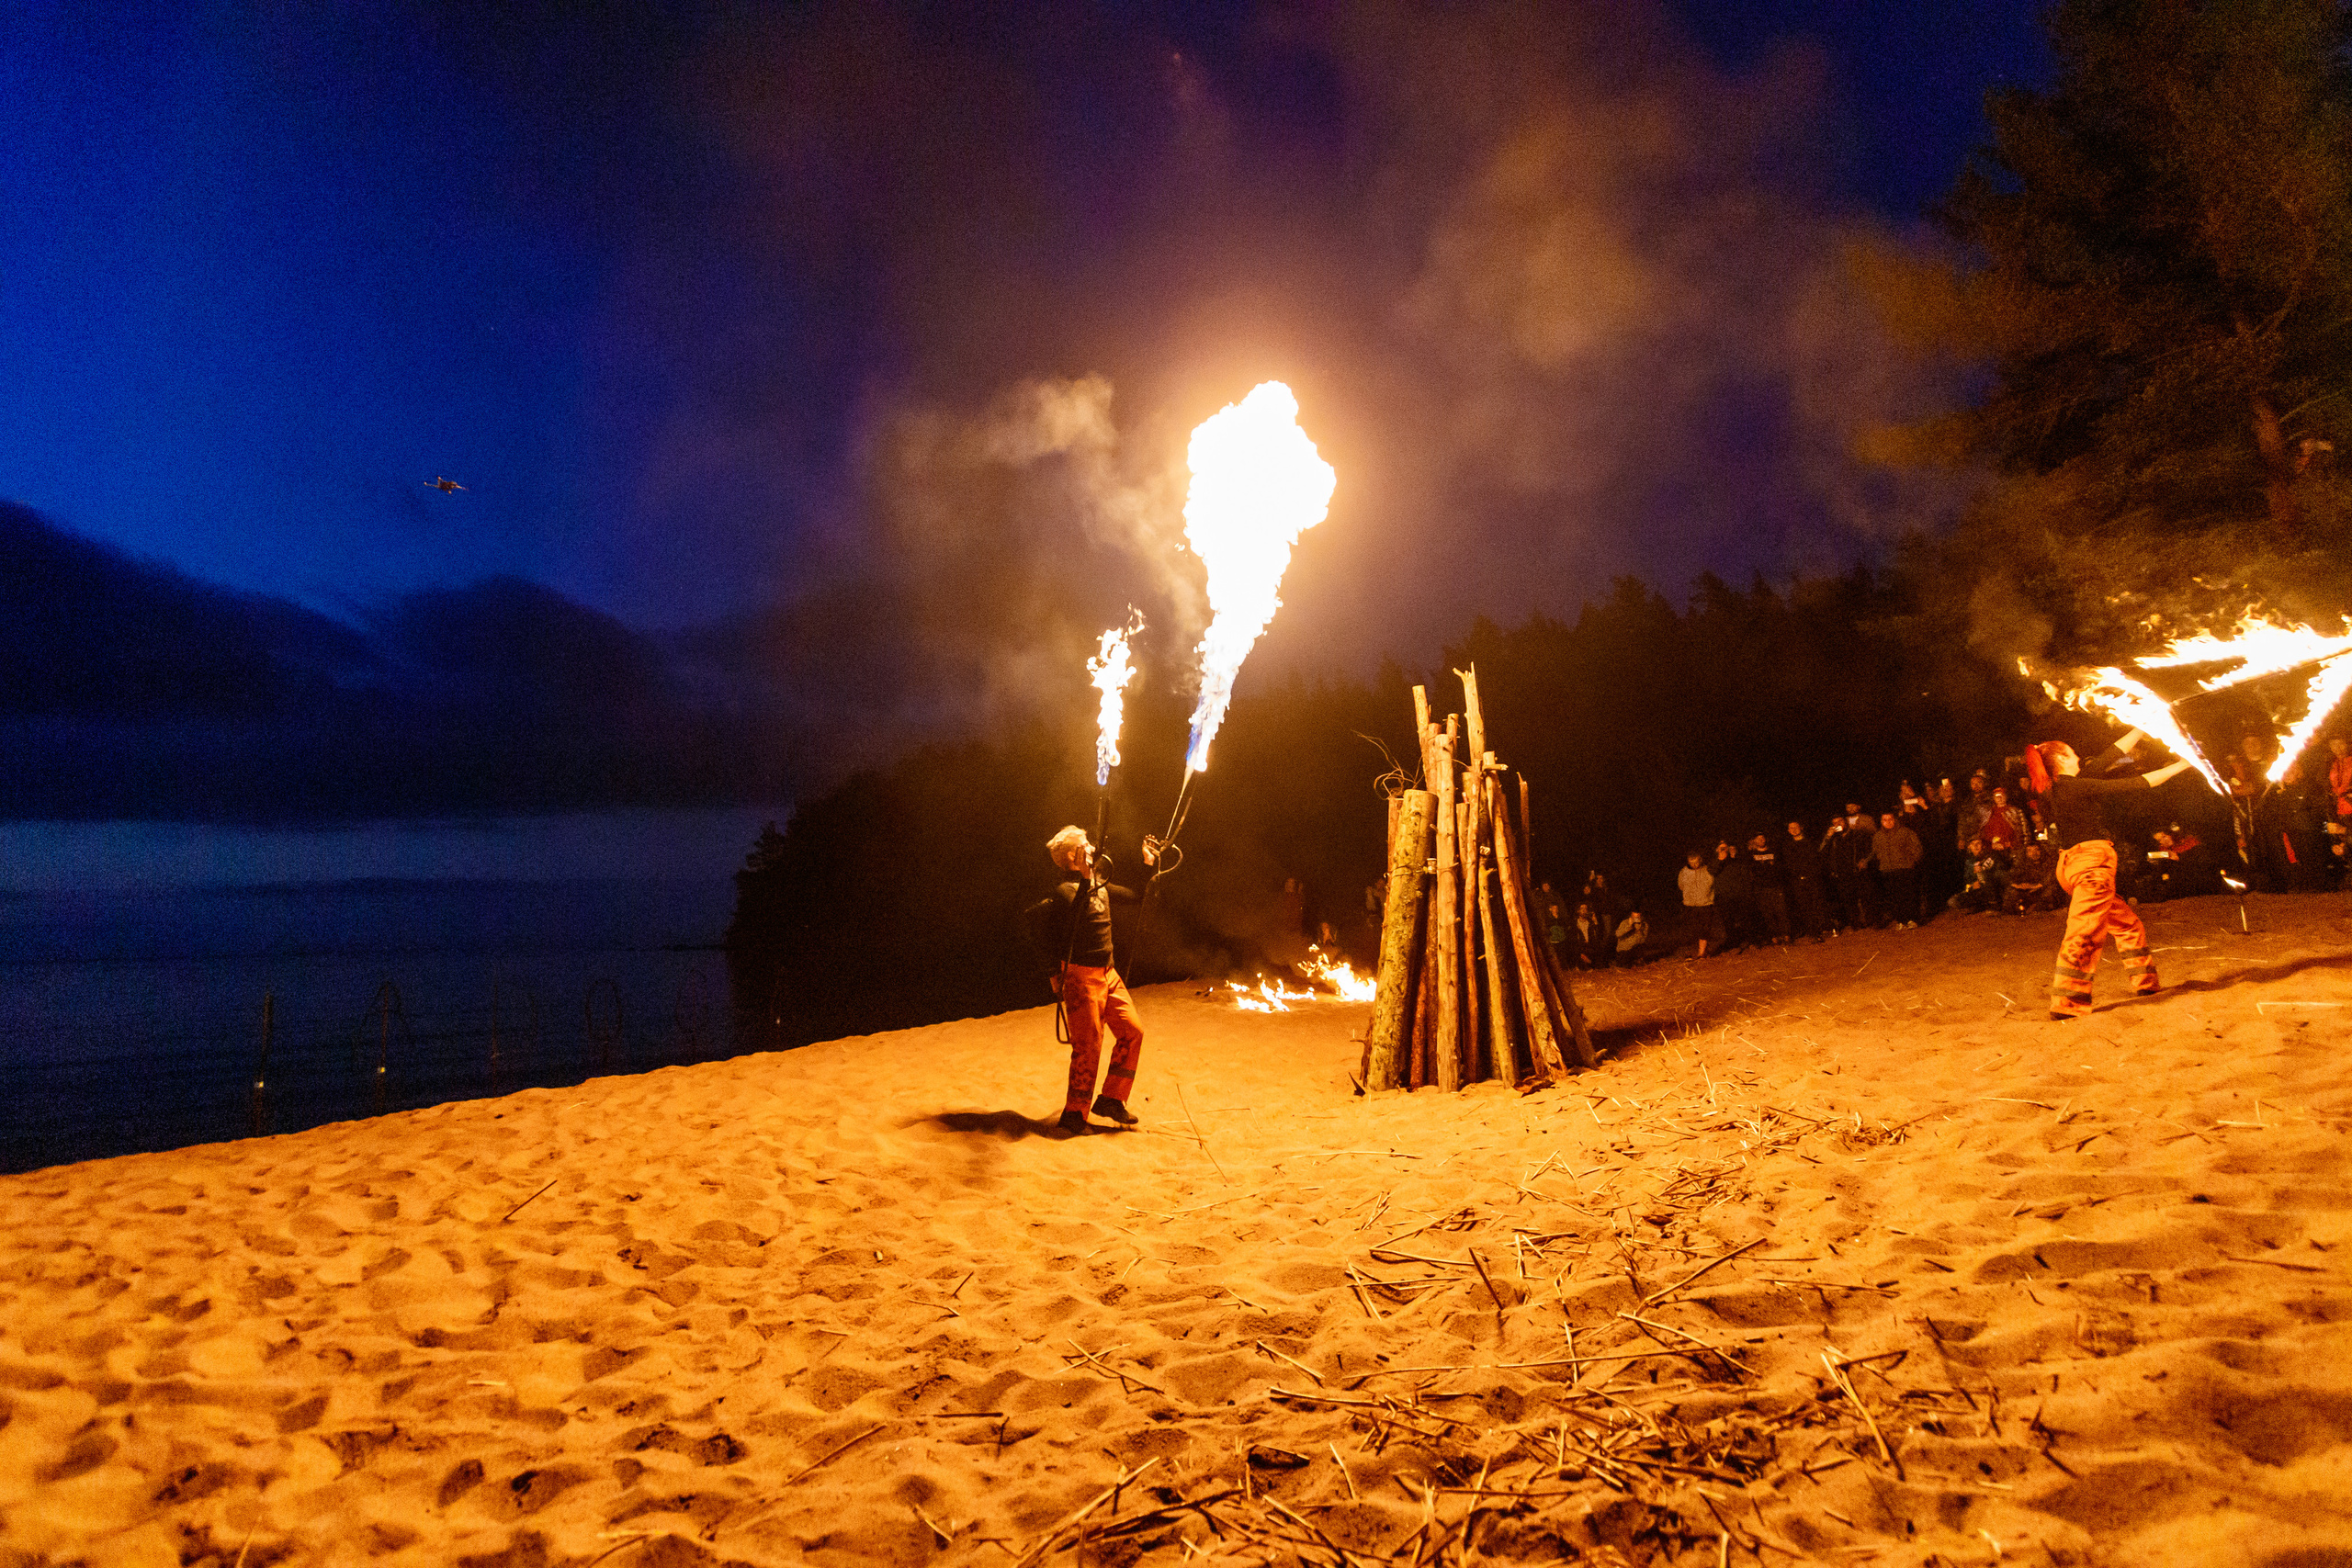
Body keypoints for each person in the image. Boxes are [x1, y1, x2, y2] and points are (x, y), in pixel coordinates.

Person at [2028, 731, 2195, 1019]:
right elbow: (2137, 784)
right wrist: (2183, 765)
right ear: (2062, 759)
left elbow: (2110, 755)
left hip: (2071, 866)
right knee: (2084, 932)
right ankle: (2067, 1003)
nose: (2079, 756)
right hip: (2091, 866)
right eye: (2073, 752)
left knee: (2127, 924)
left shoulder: (2058, 786)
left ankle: (2146, 983)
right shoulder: (2073, 788)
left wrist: (2142, 727)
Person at [1028, 826, 1160, 1134]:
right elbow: (1070, 920)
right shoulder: (1065, 892)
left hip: (1108, 974)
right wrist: (1052, 974)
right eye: (1085, 845)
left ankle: (1111, 1100)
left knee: (1132, 1032)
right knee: (1088, 1048)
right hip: (1080, 977)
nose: (1092, 847)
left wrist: (1148, 863)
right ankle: (1074, 1115)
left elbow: (1137, 896)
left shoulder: (1100, 884)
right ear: (1073, 856)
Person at [1871, 809, 1925, 929]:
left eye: (1890, 819)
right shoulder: (1878, 836)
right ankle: (1900, 920)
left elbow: (1917, 848)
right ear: (1881, 822)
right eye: (1885, 820)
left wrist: (1912, 861)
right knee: (1894, 897)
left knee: (1908, 895)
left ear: (1895, 820)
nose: (1888, 822)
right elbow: (1875, 851)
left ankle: (1912, 919)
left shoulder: (1905, 832)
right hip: (1887, 869)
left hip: (1904, 868)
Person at [1781, 820, 1829, 939]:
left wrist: (1814, 873)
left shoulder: (1810, 842)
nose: (1793, 830)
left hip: (1813, 878)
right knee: (1805, 906)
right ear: (1788, 831)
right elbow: (1788, 864)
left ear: (1801, 828)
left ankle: (1823, 928)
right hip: (1798, 881)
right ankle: (1812, 932)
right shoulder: (1787, 846)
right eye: (1791, 828)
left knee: (1817, 904)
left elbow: (1817, 858)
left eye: (1795, 827)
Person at [1712, 839, 1760, 952]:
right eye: (1722, 848)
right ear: (1717, 850)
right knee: (1728, 922)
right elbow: (1713, 871)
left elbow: (1746, 876)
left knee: (1746, 920)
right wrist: (1720, 859)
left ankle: (1752, 941)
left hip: (1740, 895)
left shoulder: (1738, 861)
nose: (1725, 850)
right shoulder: (1715, 861)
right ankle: (1733, 943)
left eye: (1727, 848)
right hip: (1724, 897)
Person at [1677, 850, 1722, 958]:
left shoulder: (1707, 870)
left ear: (1700, 860)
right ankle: (1692, 950)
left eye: (1696, 862)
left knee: (1704, 929)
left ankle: (1702, 952)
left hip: (1705, 903)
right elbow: (1681, 885)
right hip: (1689, 904)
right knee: (1692, 929)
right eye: (1691, 863)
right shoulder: (1684, 872)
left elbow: (1713, 884)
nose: (1694, 865)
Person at [1746, 832, 1791, 943]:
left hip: (1775, 886)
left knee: (1781, 910)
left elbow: (1780, 867)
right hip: (1761, 888)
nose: (1761, 840)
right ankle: (1774, 936)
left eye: (1762, 838)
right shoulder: (1751, 855)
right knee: (1767, 912)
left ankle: (1786, 934)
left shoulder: (1773, 851)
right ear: (1754, 841)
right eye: (1758, 838)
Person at [1947, 836, 2008, 913]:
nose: (1975, 846)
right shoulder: (1968, 862)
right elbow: (1966, 884)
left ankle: (1994, 906)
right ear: (1969, 847)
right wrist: (1972, 886)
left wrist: (1985, 873)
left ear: (1983, 845)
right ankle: (1981, 905)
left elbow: (2001, 872)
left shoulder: (1992, 856)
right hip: (1978, 892)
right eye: (1972, 844)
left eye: (1978, 843)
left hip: (1993, 890)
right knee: (1952, 901)